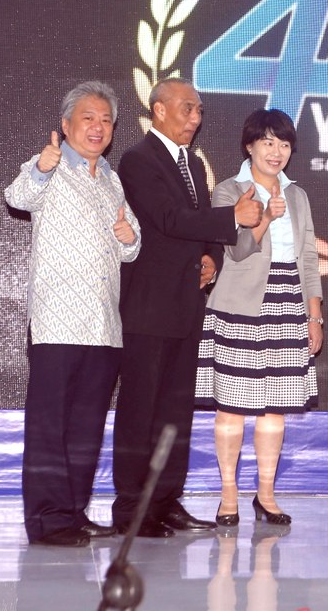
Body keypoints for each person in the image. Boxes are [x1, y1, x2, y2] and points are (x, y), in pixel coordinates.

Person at [115, 77, 263, 537]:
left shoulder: (193, 164)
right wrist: (232, 217)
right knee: (140, 412)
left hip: (185, 306)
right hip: (147, 309)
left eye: (199, 110)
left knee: (175, 413)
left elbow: (198, 228)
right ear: (159, 110)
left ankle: (166, 501)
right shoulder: (137, 160)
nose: (195, 118)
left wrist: (211, 257)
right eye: (187, 109)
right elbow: (167, 219)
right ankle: (132, 509)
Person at [5, 81, 142, 547]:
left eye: (105, 119)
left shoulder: (111, 180)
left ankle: (74, 512)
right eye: (88, 118)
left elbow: (131, 245)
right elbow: (17, 196)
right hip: (57, 323)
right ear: (66, 125)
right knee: (50, 427)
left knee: (86, 428)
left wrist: (129, 238)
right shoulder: (48, 166)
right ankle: (47, 520)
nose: (97, 126)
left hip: (104, 326)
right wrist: (41, 169)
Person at [196, 109, 323, 527]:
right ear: (249, 145)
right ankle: (228, 494)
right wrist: (266, 216)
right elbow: (236, 251)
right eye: (268, 142)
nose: (276, 152)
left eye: (284, 144)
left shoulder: (298, 196)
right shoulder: (229, 191)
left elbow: (308, 258)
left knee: (275, 408)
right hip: (240, 304)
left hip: (288, 301)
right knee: (232, 406)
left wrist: (314, 315)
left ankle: (266, 495)